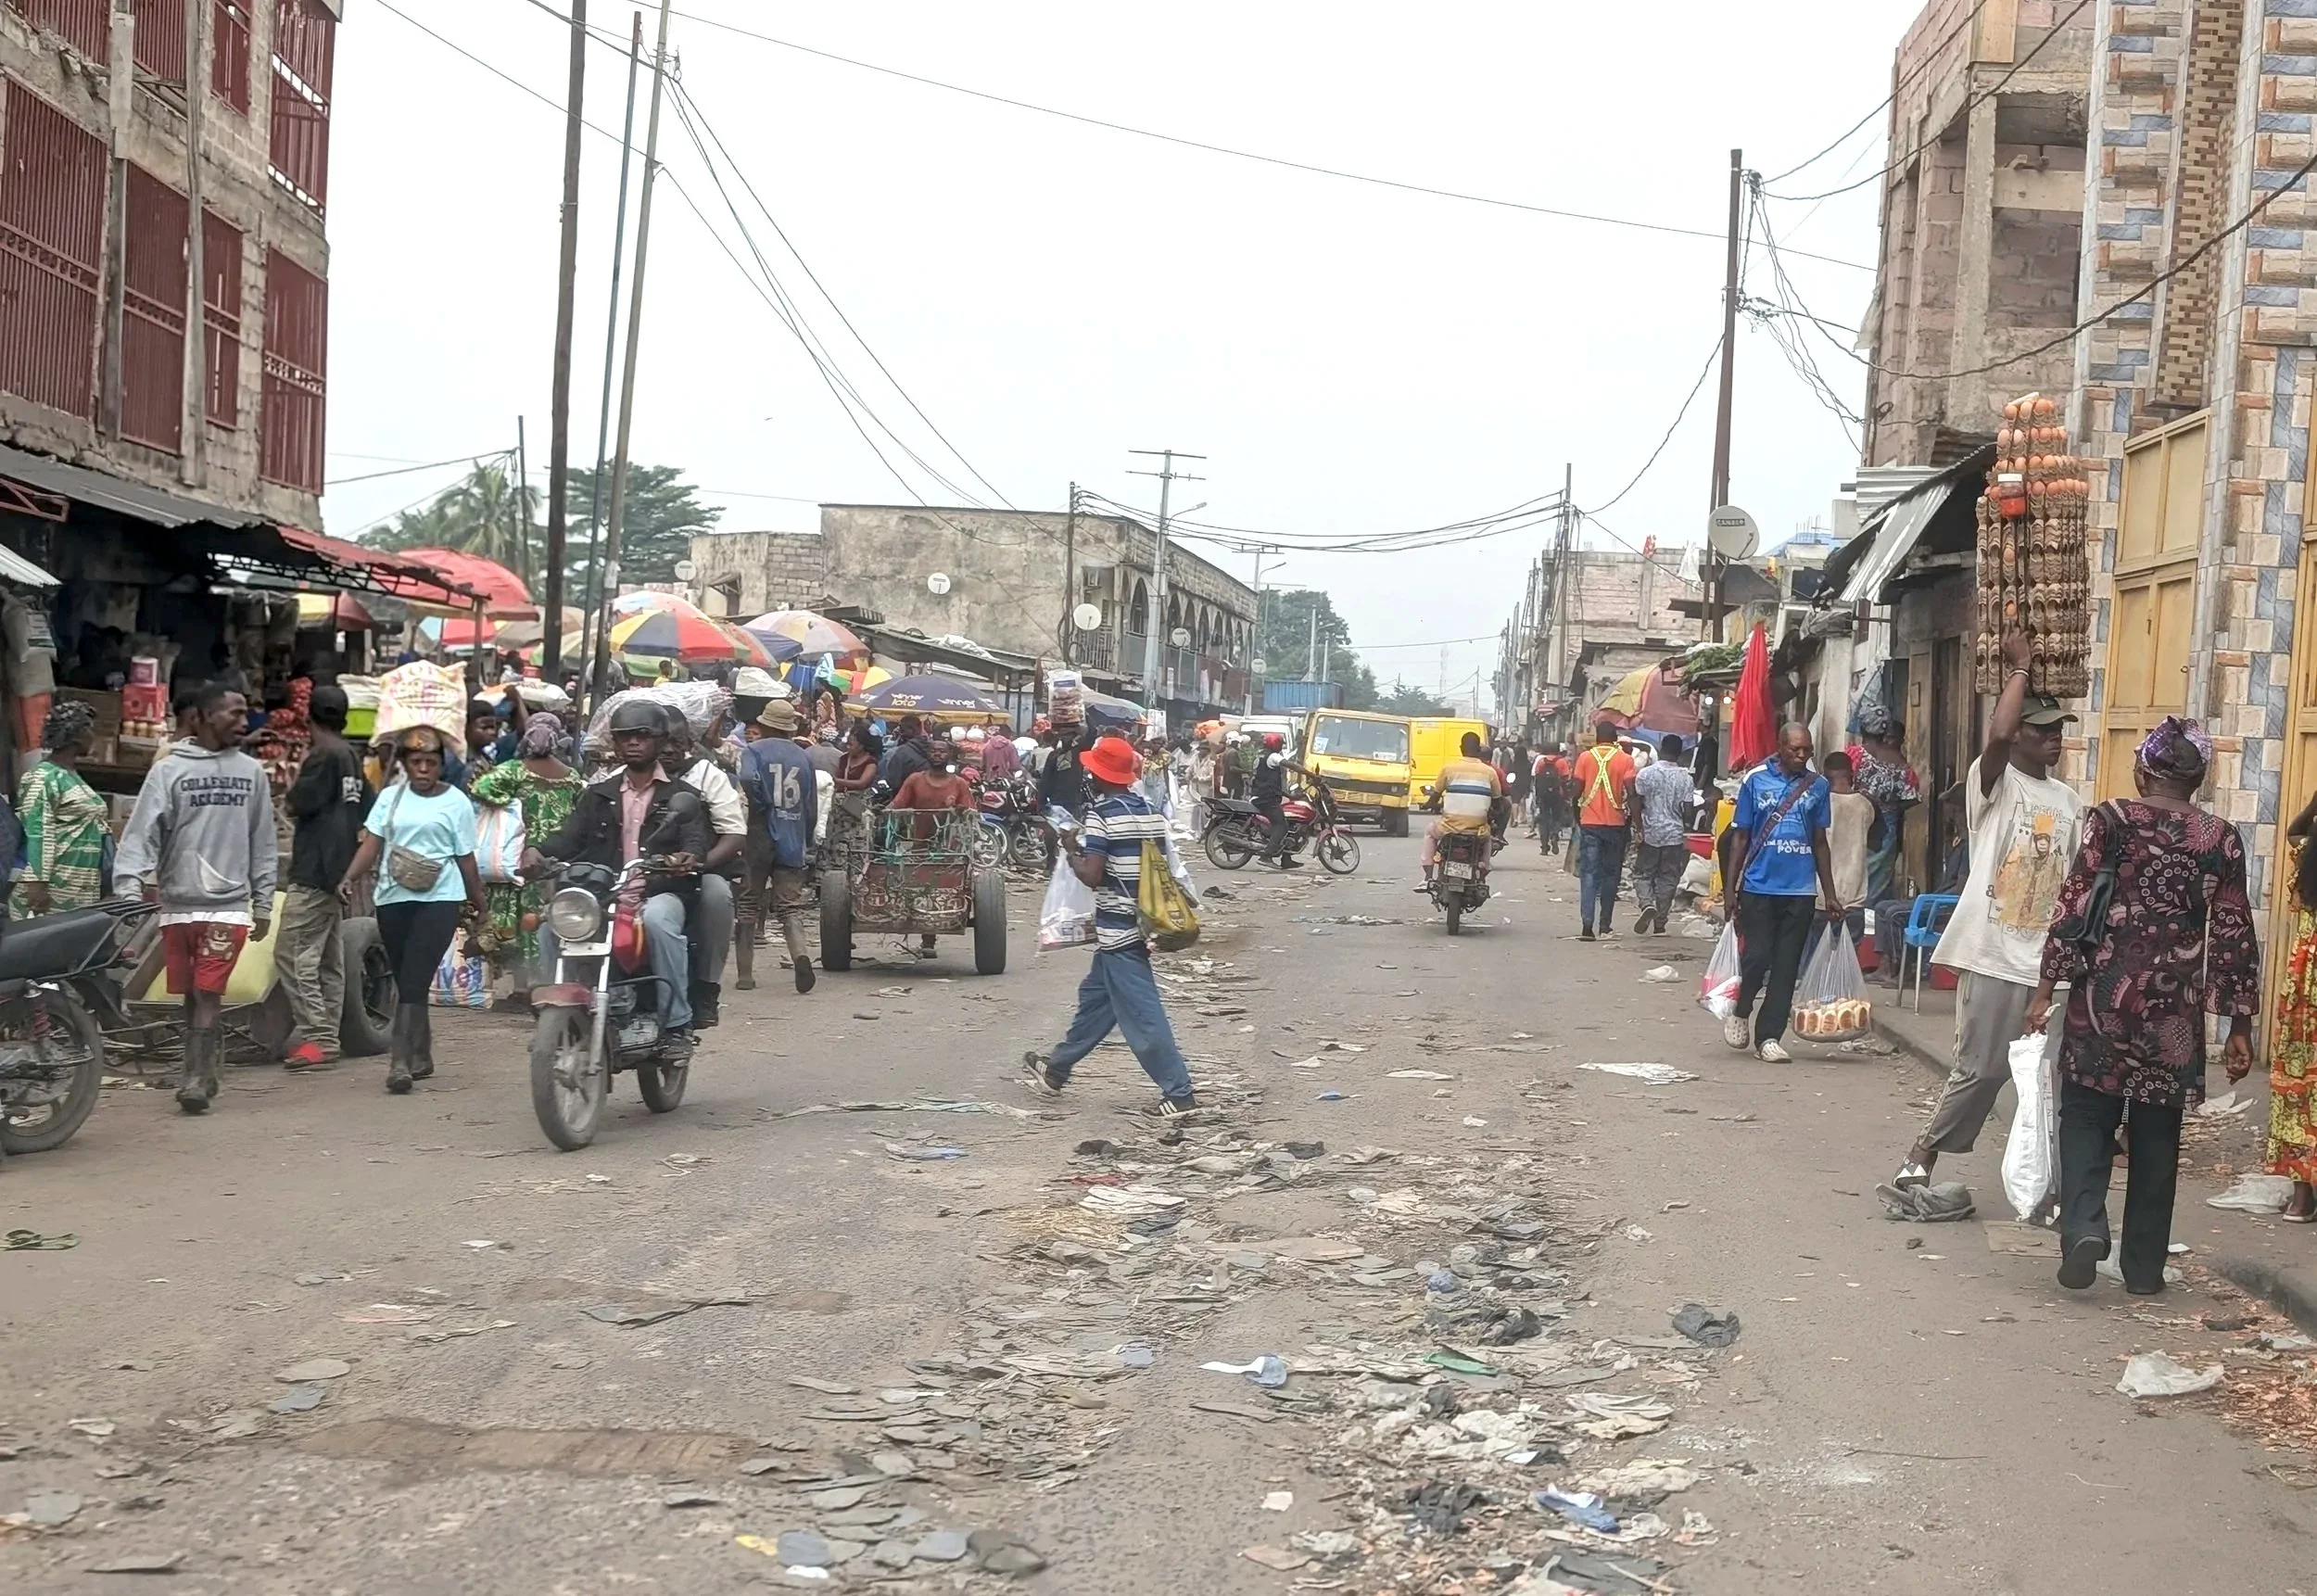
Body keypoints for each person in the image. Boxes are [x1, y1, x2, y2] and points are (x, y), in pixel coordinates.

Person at [2028, 717, 2259, 1293]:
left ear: (2142, 770)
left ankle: (2083, 1226)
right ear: (2198, 778)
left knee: (2084, 1115)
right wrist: (2239, 1023)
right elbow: (2233, 932)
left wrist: (2044, 990)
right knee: (2157, 1134)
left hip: (2100, 1002)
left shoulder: (2109, 820)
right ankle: (2144, 1269)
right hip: (2173, 1016)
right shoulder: (2221, 837)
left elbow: (2074, 906)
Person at [1888, 640, 2083, 1187]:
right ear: (2018, 732)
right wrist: (2019, 666)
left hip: (2046, 964)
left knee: (2052, 1081)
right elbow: (1995, 735)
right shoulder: (1991, 783)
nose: (2054, 740)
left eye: (2058, 731)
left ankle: (2052, 1184)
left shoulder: (2068, 802)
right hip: (1993, 953)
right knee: (1983, 1070)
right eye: (2041, 729)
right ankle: (1921, 1155)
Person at [113, 683, 277, 1114]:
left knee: (208, 993)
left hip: (229, 906)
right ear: (202, 718)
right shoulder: (168, 772)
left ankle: (196, 1079)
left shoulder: (252, 773)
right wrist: (128, 884)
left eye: (246, 714)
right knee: (191, 995)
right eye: (234, 714)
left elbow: (263, 841)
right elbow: (142, 832)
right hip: (178, 905)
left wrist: (262, 902)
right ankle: (205, 1064)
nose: (245, 723)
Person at [1021, 733, 1199, 1116]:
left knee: (1142, 1014)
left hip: (1119, 928)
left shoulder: (1102, 816)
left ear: (1099, 775)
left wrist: (1070, 849)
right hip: (1141, 921)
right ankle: (1056, 1070)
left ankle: (1179, 1091)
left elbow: (1092, 874)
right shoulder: (1150, 811)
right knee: (1096, 1002)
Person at [525, 698, 713, 1044]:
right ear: (615, 742)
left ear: (660, 740)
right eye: (625, 736)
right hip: (603, 893)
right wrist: (537, 851)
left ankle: (676, 1023)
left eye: (642, 735)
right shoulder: (597, 794)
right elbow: (569, 837)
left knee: (657, 922)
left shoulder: (683, 795)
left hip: (658, 892)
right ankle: (560, 1013)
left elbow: (696, 840)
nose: (634, 742)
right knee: (550, 929)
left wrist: (685, 857)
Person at [337, 727, 483, 1094]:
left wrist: (481, 905)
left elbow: (466, 859)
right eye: (416, 762)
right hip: (392, 898)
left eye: (431, 763)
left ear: (440, 765)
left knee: (416, 978)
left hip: (440, 899)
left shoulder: (457, 803)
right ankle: (422, 1053)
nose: (423, 769)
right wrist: (349, 878)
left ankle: (399, 1062)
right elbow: (372, 844)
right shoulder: (389, 798)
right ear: (403, 764)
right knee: (407, 980)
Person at [1716, 723, 1842, 1062]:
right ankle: (1741, 1010)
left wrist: (1828, 892)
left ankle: (1769, 1037)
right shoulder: (1755, 780)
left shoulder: (1818, 787)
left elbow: (1820, 842)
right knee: (1757, 956)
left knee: (1787, 966)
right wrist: (1730, 889)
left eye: (1807, 751)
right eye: (1795, 750)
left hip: (1800, 891)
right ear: (1780, 746)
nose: (1802, 756)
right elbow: (1739, 837)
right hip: (1759, 886)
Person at [277, 686, 372, 1069]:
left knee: (292, 953)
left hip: (315, 869)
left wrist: (291, 785)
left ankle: (317, 1035)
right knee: (328, 959)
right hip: (338, 869)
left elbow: (297, 802)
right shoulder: (350, 755)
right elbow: (368, 806)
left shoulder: (322, 756)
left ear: (308, 717)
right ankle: (328, 1035)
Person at [471, 712, 584, 998]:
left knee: (517, 918)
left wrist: (509, 802)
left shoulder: (514, 770)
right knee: (546, 918)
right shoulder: (572, 776)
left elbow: (480, 788)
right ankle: (543, 982)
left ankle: (521, 987)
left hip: (517, 857)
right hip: (556, 857)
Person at [662, 713, 746, 1028]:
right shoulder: (626, 775)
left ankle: (707, 987)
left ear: (689, 743)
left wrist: (698, 863)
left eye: (677, 743)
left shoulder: (706, 774)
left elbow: (735, 834)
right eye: (662, 742)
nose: (668, 751)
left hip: (701, 867)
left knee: (716, 895)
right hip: (641, 870)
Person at [734, 698, 818, 994]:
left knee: (748, 902)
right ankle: (801, 956)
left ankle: (745, 975)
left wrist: (759, 802)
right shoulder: (804, 756)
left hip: (759, 833)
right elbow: (811, 806)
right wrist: (805, 841)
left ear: (765, 724)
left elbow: (746, 777)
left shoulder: (753, 751)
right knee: (789, 907)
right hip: (792, 834)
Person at [11, 700, 110, 919]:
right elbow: (38, 832)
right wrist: (37, 883)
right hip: (51, 892)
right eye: (89, 729)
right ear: (76, 734)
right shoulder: (43, 777)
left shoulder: (73, 777)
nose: (93, 736)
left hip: (79, 891)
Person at [2271, 783, 2317, 1222]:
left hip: (2306, 995)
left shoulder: (2308, 860)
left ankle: (2303, 1196)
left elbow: (2295, 831)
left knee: (2302, 1090)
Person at [893, 738, 978, 957]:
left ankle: (928, 940)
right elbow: (897, 804)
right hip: (919, 846)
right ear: (928, 755)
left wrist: (960, 810)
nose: (938, 754)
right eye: (934, 751)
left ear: (949, 756)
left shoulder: (959, 784)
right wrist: (881, 814)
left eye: (942, 751)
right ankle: (923, 935)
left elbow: (970, 813)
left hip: (949, 850)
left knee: (941, 891)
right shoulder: (914, 780)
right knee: (918, 889)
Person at [1572, 721, 1637, 940]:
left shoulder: (1584, 758)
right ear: (1615, 738)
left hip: (1589, 823)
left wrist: (1576, 814)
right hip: (1616, 825)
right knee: (1611, 875)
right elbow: (1631, 792)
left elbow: (1576, 790)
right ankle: (1605, 925)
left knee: (1589, 874)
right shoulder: (1625, 760)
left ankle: (1586, 926)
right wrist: (1638, 822)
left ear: (1597, 737)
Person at [1849, 714, 1920, 909]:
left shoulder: (1857, 755)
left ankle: (1858, 918)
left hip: (1860, 819)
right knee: (1872, 878)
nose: (1889, 740)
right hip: (1877, 822)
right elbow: (1911, 797)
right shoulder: (1900, 765)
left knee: (1860, 874)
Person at [1419, 731, 1504, 891]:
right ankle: (1483, 873)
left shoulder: (1448, 769)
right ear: (1478, 749)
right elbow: (1498, 801)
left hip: (1448, 829)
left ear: (1460, 748)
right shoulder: (1490, 772)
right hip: (1476, 830)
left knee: (1430, 832)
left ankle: (1428, 877)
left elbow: (1435, 796)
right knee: (1487, 838)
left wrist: (1428, 804)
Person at [1629, 734, 1696, 935]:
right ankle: (1660, 923)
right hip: (1674, 835)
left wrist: (1638, 826)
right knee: (1668, 877)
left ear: (1660, 747)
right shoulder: (1686, 777)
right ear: (1680, 753)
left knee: (1643, 874)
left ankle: (1647, 904)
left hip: (1650, 832)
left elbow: (1636, 801)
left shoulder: (1646, 774)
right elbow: (1689, 810)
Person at [1817, 750, 1874, 954]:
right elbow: (1876, 842)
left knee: (1818, 960)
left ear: (1824, 777)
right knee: (1847, 960)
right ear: (1852, 775)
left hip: (1821, 896)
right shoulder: (1866, 806)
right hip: (1854, 895)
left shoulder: (1818, 803)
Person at [1250, 731, 1298, 865]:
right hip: (1266, 799)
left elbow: (1268, 782)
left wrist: (1289, 796)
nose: (1281, 747)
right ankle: (1266, 856)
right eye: (1280, 744)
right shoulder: (1273, 757)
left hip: (1262, 795)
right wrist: (1310, 774)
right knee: (1281, 826)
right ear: (1274, 743)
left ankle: (1286, 859)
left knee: (1285, 823)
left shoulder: (1260, 756)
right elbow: (1291, 765)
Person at [1038, 721, 1090, 817]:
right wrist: (1041, 803)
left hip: (1074, 802)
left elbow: (1090, 735)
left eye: (1068, 735)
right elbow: (1046, 780)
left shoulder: (1077, 753)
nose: (1064, 738)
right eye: (1063, 735)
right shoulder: (1054, 755)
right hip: (1056, 802)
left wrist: (1085, 714)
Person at [880, 714, 933, 792]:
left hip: (904, 794)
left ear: (913, 730)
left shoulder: (897, 752)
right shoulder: (935, 749)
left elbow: (892, 781)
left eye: (902, 730)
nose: (900, 733)